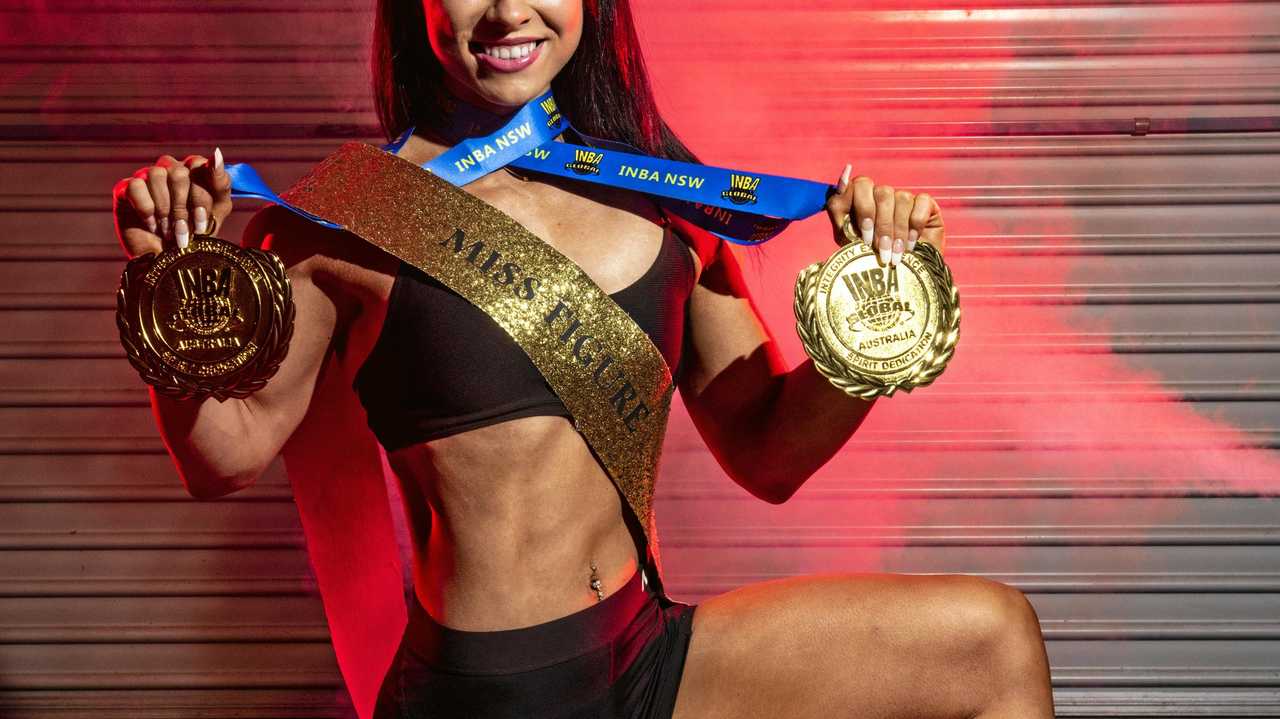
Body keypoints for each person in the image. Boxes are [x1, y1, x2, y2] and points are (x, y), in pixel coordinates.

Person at [111, 0, 1055, 717]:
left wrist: (879, 318)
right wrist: (169, 295)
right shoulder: (345, 220)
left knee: (994, 640)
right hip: (483, 690)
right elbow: (223, 455)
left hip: (643, 659)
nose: (510, 11)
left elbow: (769, 454)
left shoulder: (671, 204)